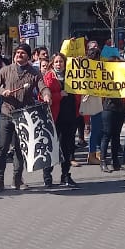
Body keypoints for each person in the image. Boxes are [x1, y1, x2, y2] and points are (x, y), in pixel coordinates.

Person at [0, 43, 47, 192]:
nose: (19, 55)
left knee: (20, 150)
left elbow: (43, 86)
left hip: (23, 116)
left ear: (28, 56)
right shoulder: (6, 70)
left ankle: (17, 179)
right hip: (6, 114)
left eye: (22, 53)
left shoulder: (34, 73)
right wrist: (2, 91)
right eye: (17, 52)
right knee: (2, 148)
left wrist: (47, 95)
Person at [40, 53, 80, 188]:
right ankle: (47, 176)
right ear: (52, 63)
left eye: (61, 62)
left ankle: (65, 174)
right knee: (52, 147)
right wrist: (59, 95)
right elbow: (43, 97)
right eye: (56, 62)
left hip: (69, 116)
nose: (59, 64)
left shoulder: (72, 75)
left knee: (67, 147)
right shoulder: (48, 77)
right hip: (54, 117)